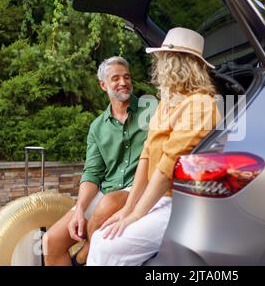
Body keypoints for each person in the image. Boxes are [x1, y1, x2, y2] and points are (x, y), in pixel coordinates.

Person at [86, 27, 221, 266]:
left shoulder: (200, 104)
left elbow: (166, 167)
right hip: (158, 198)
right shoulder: (167, 103)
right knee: (99, 239)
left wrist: (137, 215)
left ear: (176, 64)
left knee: (108, 247)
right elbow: (147, 157)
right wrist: (128, 208)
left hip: (183, 204)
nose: (158, 67)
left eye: (162, 60)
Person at [42, 56, 148, 266]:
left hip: (138, 189)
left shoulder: (151, 111)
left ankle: (83, 256)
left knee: (107, 204)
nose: (123, 82)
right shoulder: (97, 127)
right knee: (49, 241)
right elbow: (92, 173)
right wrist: (80, 210)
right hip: (107, 191)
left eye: (126, 77)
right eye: (115, 78)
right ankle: (84, 254)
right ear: (103, 85)